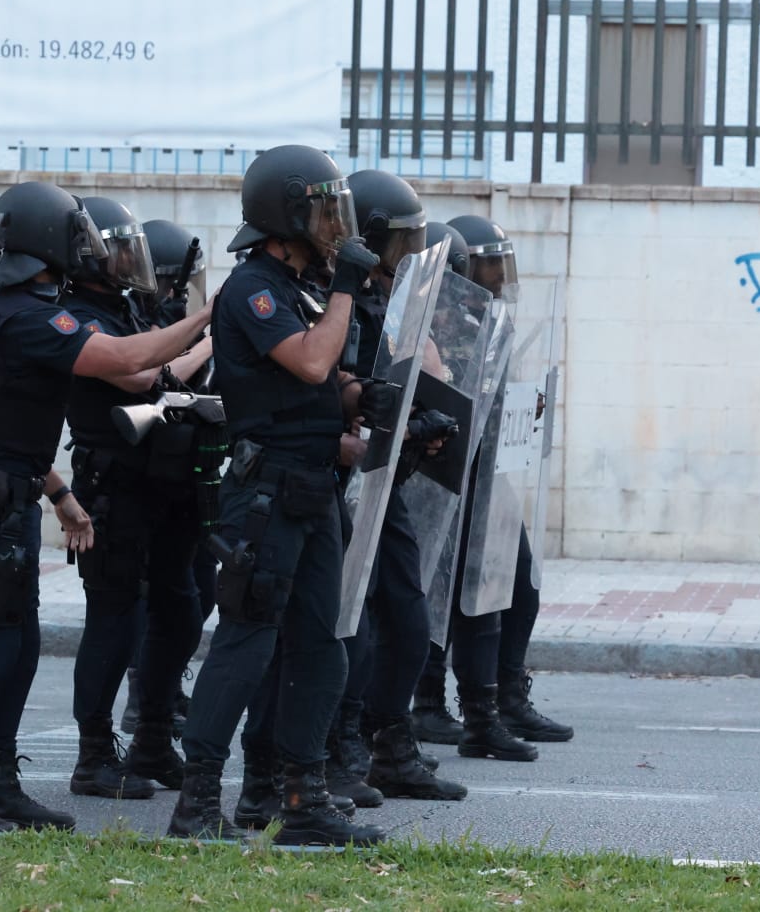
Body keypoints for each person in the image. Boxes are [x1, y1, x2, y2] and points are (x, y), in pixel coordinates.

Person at [0, 181, 214, 832]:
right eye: (74, 235)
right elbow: (129, 360)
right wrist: (206, 318)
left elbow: (17, 422)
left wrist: (58, 494)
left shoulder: (1, 309)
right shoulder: (31, 316)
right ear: (49, 241)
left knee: (18, 646)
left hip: (6, 485)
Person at [166, 145, 388, 847]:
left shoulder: (303, 289)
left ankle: (300, 797)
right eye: (322, 209)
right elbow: (312, 357)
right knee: (246, 645)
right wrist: (350, 288)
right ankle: (197, 802)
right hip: (264, 495)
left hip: (313, 488)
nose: (333, 223)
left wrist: (374, 397)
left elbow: (325, 380)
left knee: (323, 649)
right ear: (285, 213)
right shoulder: (254, 288)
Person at [324, 170, 468, 807]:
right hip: (344, 483)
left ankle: (391, 744)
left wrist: (423, 421)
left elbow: (423, 374)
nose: (410, 257)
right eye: (402, 243)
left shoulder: (394, 301)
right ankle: (342, 746)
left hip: (387, 482)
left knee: (408, 620)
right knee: (350, 627)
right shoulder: (343, 299)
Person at [62, 197, 214, 801]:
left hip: (166, 483)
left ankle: (152, 737)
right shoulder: (75, 316)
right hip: (114, 486)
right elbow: (147, 375)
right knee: (114, 618)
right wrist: (213, 332)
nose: (132, 262)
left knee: (182, 608)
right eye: (118, 250)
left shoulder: (125, 308)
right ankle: (94, 753)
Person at [409, 215, 572, 757]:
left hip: (489, 479)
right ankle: (432, 707)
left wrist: (527, 411)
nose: (498, 277)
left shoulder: (489, 319)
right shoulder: (433, 321)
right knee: (438, 601)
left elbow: (491, 399)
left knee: (516, 588)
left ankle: (504, 699)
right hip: (443, 482)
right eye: (488, 265)